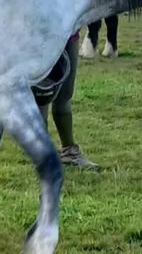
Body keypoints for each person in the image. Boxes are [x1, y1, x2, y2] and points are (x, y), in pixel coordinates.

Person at [35, 31, 98, 169]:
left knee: (65, 95)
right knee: (42, 96)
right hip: (42, 36)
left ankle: (70, 152)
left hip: (70, 34)